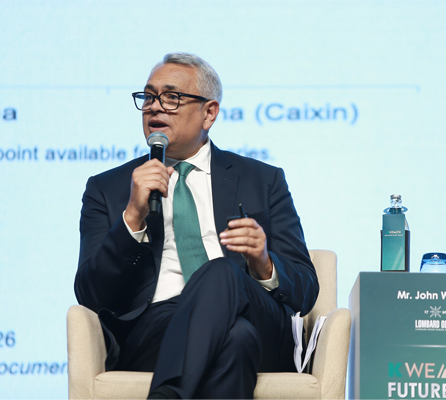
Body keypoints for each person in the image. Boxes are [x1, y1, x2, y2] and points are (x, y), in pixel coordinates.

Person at [74, 52, 319, 399]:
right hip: (157, 330)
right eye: (148, 97)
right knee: (236, 339)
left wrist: (263, 263)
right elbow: (91, 294)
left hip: (259, 317)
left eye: (172, 97)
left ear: (209, 113)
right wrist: (132, 218)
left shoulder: (262, 180)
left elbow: (306, 290)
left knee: (221, 272)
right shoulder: (109, 188)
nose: (155, 107)